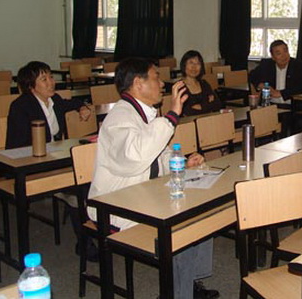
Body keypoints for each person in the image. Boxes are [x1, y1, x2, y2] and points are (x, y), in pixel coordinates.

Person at [87, 57, 219, 299]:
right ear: (138, 84)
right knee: (181, 221)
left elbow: (158, 154)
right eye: (156, 78)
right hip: (115, 204)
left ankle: (189, 283)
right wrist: (172, 115)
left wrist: (182, 162)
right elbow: (136, 158)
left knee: (201, 207)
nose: (161, 84)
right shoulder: (119, 118)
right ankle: (178, 294)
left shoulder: (144, 113)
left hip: (143, 193)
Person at [6, 61, 91, 149]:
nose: (51, 83)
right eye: (44, 79)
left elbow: (73, 103)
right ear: (30, 86)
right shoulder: (20, 107)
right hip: (30, 154)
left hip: (53, 151)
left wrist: (82, 107)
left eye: (51, 77)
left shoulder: (55, 99)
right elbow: (18, 145)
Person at [249, 40, 302, 106]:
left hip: (291, 106)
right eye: (279, 53)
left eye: (285, 51)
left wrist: (280, 93)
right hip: (270, 105)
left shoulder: (298, 66)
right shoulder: (266, 64)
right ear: (273, 57)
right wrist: (261, 85)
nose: (284, 56)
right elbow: (251, 75)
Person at [180, 50, 222, 116]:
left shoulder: (204, 84)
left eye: (198, 63)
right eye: (191, 63)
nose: (194, 67)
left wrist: (201, 106)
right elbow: (187, 111)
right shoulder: (179, 86)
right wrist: (207, 104)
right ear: (184, 65)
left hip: (208, 120)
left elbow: (217, 104)